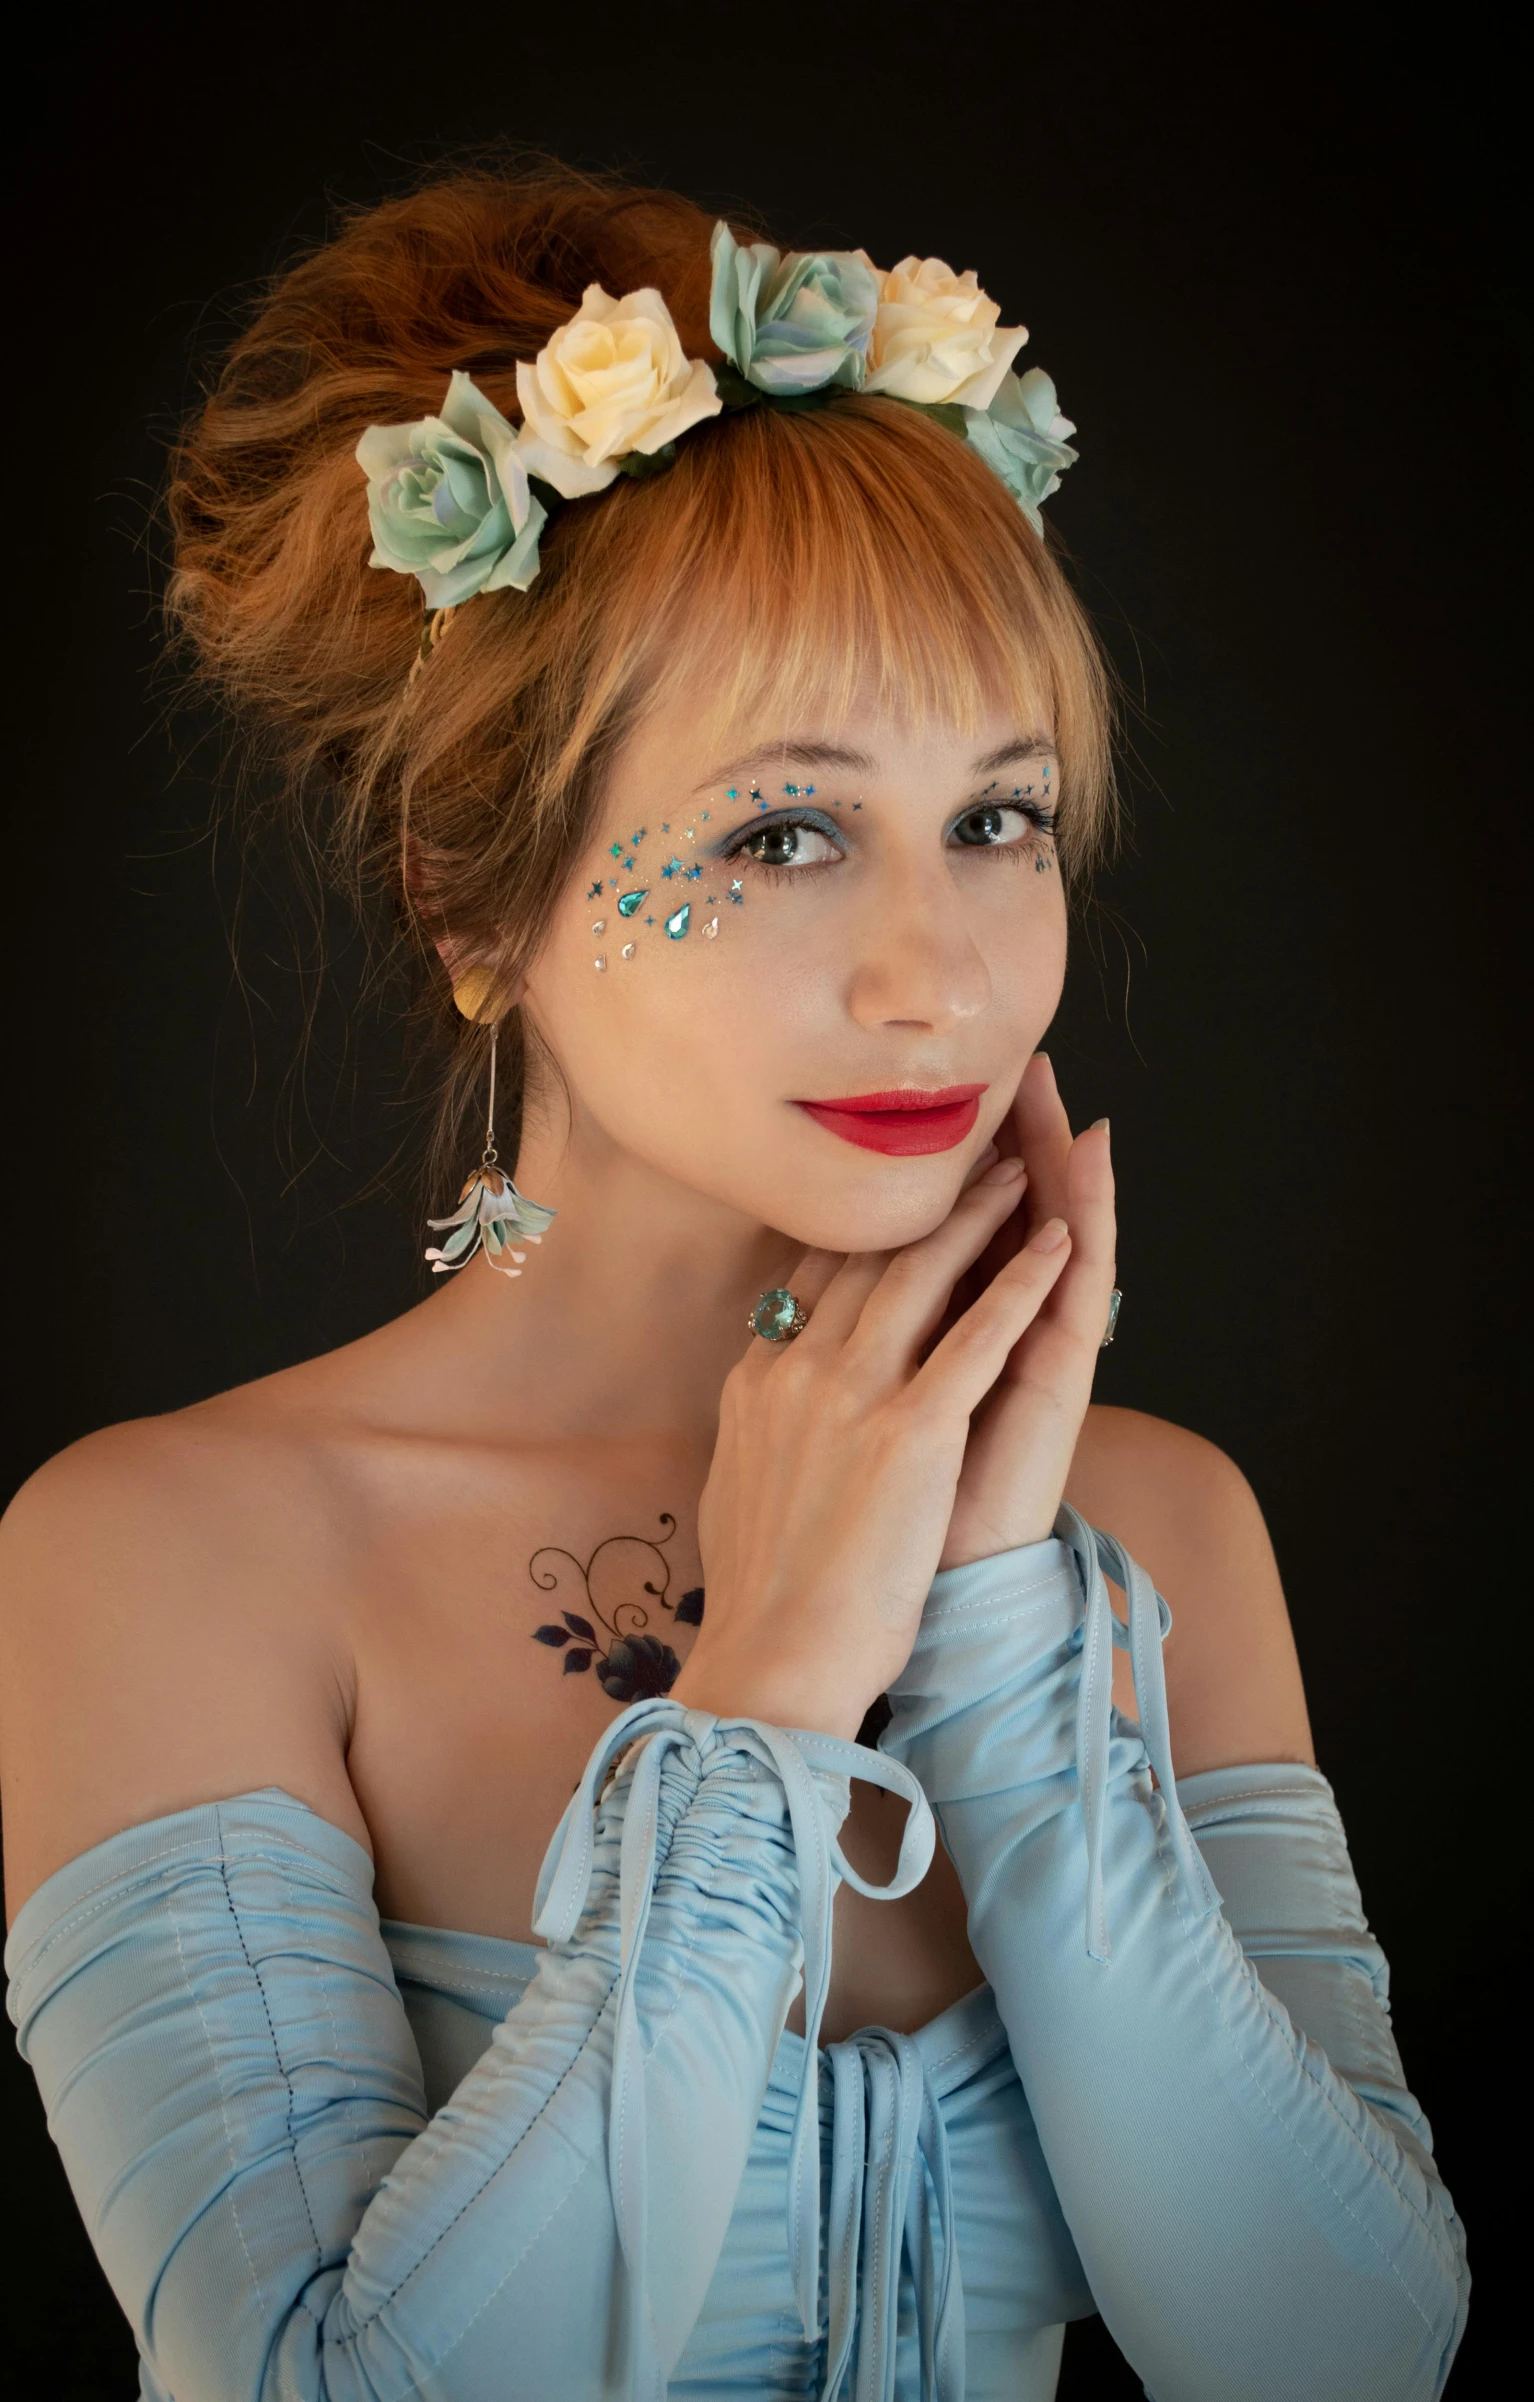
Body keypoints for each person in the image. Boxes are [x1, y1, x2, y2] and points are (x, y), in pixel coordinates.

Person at [0, 164, 1468, 2401]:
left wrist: (989, 1632)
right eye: (784, 834)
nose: (936, 978)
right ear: (470, 908)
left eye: (995, 819)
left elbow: (1336, 2360)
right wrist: (768, 1691)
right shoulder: (166, 1557)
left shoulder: (1153, 1529)